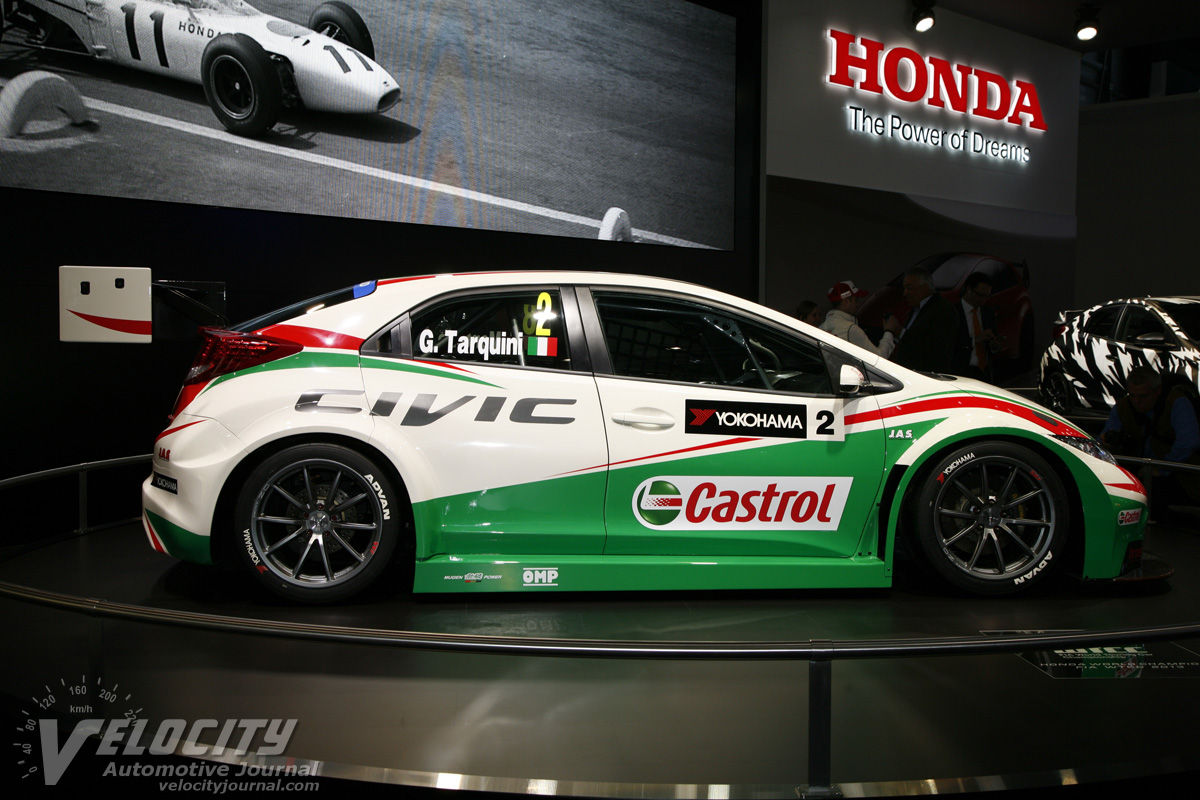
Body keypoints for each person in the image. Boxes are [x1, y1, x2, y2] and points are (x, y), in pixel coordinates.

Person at [1100, 366, 1200, 522]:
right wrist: (1106, 442)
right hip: (1137, 469)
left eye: (1143, 396)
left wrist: (1161, 468)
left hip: (1176, 472)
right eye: (1132, 395)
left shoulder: (1177, 403)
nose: (1136, 401)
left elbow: (1188, 443)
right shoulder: (1123, 407)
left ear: (1157, 391)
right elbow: (1107, 435)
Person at [891, 266, 957, 373]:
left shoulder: (944, 310)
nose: (905, 293)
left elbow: (937, 346)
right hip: (908, 374)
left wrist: (901, 332)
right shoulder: (916, 309)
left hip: (927, 376)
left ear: (925, 287)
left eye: (909, 288)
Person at [819, 280, 901, 357]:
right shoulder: (850, 329)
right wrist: (889, 331)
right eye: (855, 300)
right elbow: (879, 356)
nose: (857, 304)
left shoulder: (820, 329)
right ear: (846, 302)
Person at [952, 271, 998, 382]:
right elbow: (950, 343)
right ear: (968, 290)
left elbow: (993, 343)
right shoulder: (954, 312)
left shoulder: (988, 312)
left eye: (987, 296)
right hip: (961, 372)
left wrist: (994, 345)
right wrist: (974, 340)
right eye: (981, 295)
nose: (983, 300)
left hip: (984, 372)